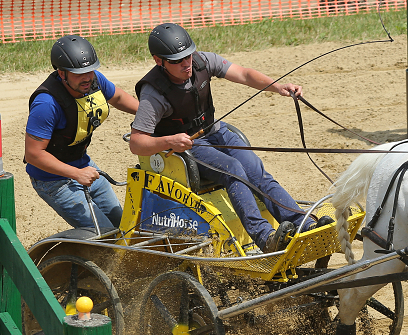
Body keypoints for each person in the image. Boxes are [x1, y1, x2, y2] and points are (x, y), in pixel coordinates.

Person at [128, 22, 330, 253]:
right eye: (177, 60)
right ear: (158, 60)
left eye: (188, 55)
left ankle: (303, 224)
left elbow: (243, 74)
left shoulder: (202, 61)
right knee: (232, 168)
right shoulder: (153, 93)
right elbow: (137, 143)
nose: (186, 63)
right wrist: (169, 141)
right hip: (188, 146)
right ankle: (265, 237)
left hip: (216, 131)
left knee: (254, 168)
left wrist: (278, 87)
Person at [25, 35, 139, 230]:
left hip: (83, 166)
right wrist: (76, 174)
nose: (87, 77)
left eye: (90, 70)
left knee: (124, 227)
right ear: (62, 74)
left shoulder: (94, 81)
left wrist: (151, 115)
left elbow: (118, 97)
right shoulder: (46, 104)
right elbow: (33, 154)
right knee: (105, 236)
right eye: (78, 73)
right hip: (53, 181)